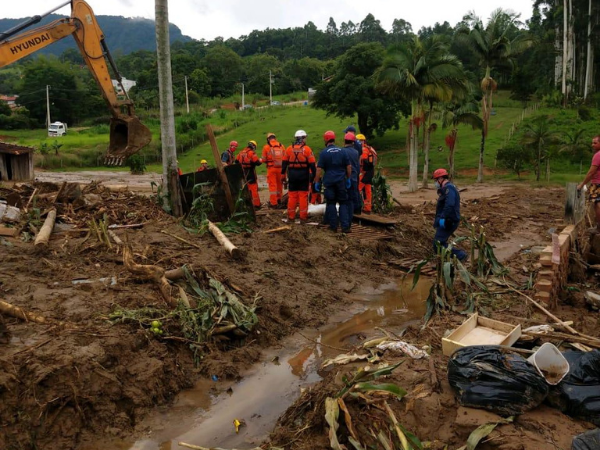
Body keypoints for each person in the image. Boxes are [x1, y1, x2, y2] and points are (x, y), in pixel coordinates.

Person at [314, 130, 352, 233]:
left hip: (329, 182)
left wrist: (317, 181)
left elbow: (318, 169)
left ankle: (333, 226)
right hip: (341, 181)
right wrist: (348, 178)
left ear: (326, 140)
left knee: (331, 203)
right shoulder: (342, 151)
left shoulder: (324, 153)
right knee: (343, 203)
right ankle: (345, 227)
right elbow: (349, 166)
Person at [432, 168, 467, 261]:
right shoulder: (446, 188)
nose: (435, 183)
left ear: (440, 179)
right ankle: (450, 258)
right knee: (438, 243)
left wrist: (443, 217)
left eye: (436, 180)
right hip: (446, 220)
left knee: (438, 244)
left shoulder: (449, 188)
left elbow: (449, 204)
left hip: (449, 221)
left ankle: (460, 255)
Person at [281, 130, 316, 223]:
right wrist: (314, 177)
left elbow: (284, 164)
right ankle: (303, 217)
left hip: (292, 175)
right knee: (303, 196)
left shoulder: (289, 149)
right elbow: (312, 164)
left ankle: (291, 217)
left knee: (292, 196)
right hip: (303, 175)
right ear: (302, 138)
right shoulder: (307, 149)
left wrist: (282, 176)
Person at [577, 135, 600, 232]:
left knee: (597, 203)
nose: (592, 145)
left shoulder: (598, 155)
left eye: (595, 143)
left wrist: (582, 184)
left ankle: (599, 227)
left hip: (598, 183)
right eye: (592, 143)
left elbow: (591, 172)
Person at [236, 140, 262, 208]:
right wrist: (261, 160)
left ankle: (248, 204)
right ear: (253, 146)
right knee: (253, 188)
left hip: (243, 172)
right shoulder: (251, 153)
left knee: (246, 187)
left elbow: (236, 161)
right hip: (250, 172)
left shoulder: (241, 152)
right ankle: (256, 204)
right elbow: (257, 163)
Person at [262, 132, 285, 208]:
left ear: (268, 139)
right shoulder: (281, 146)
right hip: (280, 169)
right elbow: (285, 158)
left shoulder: (266, 147)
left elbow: (264, 159)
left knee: (273, 186)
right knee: (279, 185)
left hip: (271, 168)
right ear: (275, 138)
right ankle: (279, 200)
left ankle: (274, 203)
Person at [343, 131, 361, 224]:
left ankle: (346, 218)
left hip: (345, 178)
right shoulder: (356, 152)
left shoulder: (343, 151)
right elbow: (358, 165)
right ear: (353, 142)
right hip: (354, 177)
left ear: (345, 141)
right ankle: (355, 214)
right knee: (353, 196)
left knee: (345, 199)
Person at [357, 134, 377, 213]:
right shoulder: (369, 148)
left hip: (365, 173)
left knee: (357, 188)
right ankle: (368, 208)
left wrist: (361, 172)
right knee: (367, 190)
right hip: (370, 172)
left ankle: (356, 206)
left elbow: (364, 162)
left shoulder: (363, 150)